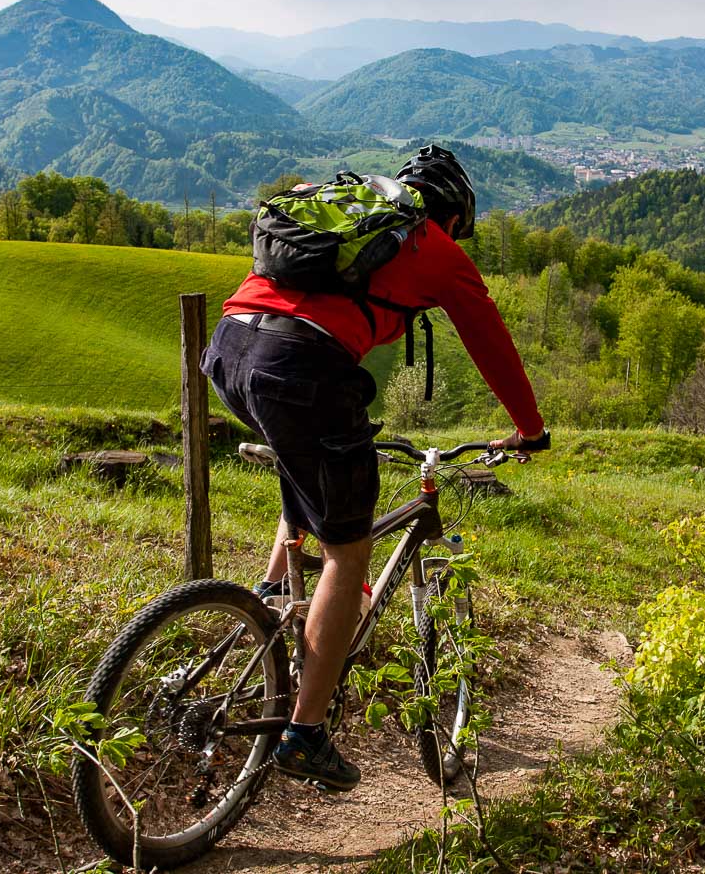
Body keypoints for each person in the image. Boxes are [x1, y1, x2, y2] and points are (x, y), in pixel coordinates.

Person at [200, 144, 548, 792]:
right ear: (451, 216)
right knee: (348, 553)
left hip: (229, 348)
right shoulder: (436, 247)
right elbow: (492, 344)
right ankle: (304, 735)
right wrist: (529, 429)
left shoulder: (343, 210)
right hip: (300, 367)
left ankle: (275, 600)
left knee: (309, 474)